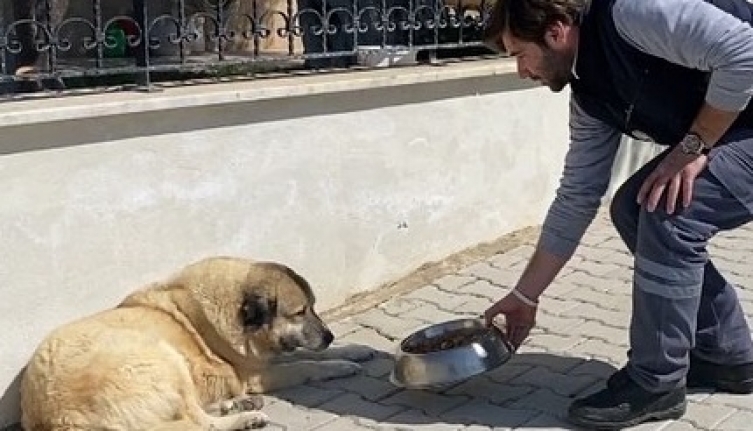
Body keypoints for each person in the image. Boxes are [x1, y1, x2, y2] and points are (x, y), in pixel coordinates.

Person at [481, 0, 753, 428]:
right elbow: (577, 196)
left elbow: (743, 50)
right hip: (741, 126)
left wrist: (695, 144)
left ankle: (656, 382)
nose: (521, 71)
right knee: (632, 206)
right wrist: (524, 296)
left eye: (520, 55)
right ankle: (726, 355)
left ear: (556, 31)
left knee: (671, 213)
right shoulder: (591, 96)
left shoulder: (631, 14)